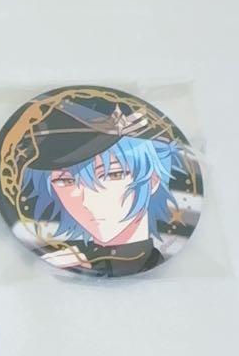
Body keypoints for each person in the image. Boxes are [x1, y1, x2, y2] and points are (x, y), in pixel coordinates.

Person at [21, 99, 186, 276]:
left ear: (152, 180)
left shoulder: (165, 262)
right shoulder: (54, 256)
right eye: (65, 181)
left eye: (113, 175)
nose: (87, 201)